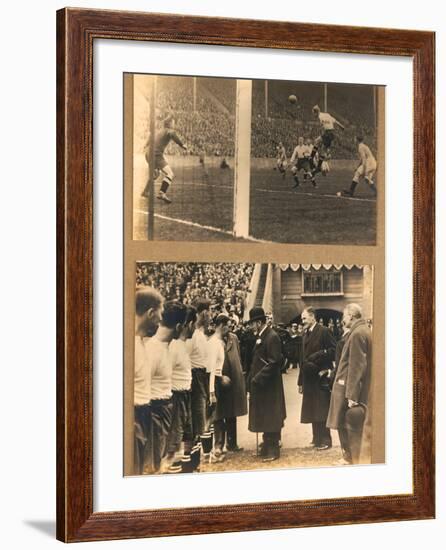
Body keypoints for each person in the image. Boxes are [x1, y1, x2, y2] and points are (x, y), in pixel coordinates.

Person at [327, 304, 372, 464]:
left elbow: (356, 366)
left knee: (345, 422)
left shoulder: (357, 334)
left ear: (351, 316)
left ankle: (350, 457)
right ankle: (350, 456)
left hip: (347, 388)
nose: (342, 320)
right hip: (347, 386)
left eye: (344, 316)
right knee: (346, 423)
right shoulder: (361, 331)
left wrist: (352, 395)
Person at [147, 301, 187, 473]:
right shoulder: (153, 350)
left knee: (159, 463)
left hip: (164, 410)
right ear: (178, 326)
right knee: (151, 467)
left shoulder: (166, 347)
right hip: (153, 413)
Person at [247, 307, 286, 462]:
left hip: (270, 386)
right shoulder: (262, 336)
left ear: (258, 323)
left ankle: (273, 449)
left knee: (271, 416)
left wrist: (257, 378)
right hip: (262, 386)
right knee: (265, 415)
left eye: (252, 324)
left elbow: (274, 362)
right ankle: (266, 445)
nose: (250, 327)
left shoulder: (272, 337)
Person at [133, 288, 164, 475]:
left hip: (144, 412)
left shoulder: (143, 344)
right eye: (159, 319)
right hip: (134, 417)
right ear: (151, 314)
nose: (160, 324)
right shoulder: (129, 347)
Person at [298, 307, 336, 450]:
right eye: (302, 319)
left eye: (304, 318)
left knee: (322, 408)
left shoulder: (324, 331)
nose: (302, 321)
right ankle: (316, 437)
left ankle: (326, 439)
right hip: (308, 377)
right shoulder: (305, 334)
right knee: (312, 408)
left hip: (320, 376)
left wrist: (320, 355)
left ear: (312, 317)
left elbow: (334, 350)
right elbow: (302, 359)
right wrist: (300, 382)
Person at [165, 306, 197, 474]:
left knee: (188, 435)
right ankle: (174, 471)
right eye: (193, 324)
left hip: (186, 395)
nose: (195, 327)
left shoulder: (184, 346)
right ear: (187, 325)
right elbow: (166, 375)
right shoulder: (175, 347)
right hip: (176, 397)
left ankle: (188, 470)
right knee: (175, 439)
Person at [214, 319, 248, 456]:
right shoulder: (213, 341)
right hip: (219, 381)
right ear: (221, 326)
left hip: (232, 379)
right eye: (227, 325)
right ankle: (218, 445)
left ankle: (232, 443)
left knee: (232, 412)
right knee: (218, 414)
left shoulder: (233, 338)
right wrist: (219, 377)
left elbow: (238, 356)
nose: (230, 327)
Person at [141, 115, 187, 204]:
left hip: (148, 153)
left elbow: (151, 137)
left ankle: (145, 192)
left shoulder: (159, 131)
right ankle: (162, 193)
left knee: (155, 174)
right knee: (170, 174)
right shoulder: (169, 131)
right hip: (156, 154)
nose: (174, 124)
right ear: (169, 123)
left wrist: (145, 145)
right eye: (173, 122)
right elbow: (172, 134)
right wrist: (182, 145)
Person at [187, 299, 211, 443]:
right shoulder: (193, 335)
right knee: (197, 416)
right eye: (209, 311)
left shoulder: (201, 334)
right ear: (203, 313)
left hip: (202, 375)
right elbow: (187, 359)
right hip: (195, 376)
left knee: (203, 415)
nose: (210, 315)